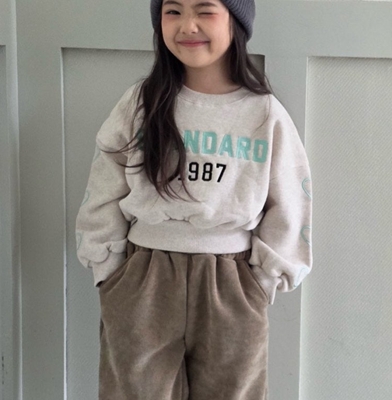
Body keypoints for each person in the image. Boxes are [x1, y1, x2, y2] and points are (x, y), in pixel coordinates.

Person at [75, 0, 312, 399]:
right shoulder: (141, 103)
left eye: (205, 11)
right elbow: (105, 186)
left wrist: (263, 282)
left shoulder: (264, 113)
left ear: (236, 22)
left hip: (231, 283)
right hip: (144, 276)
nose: (188, 25)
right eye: (173, 11)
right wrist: (108, 270)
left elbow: (289, 202)